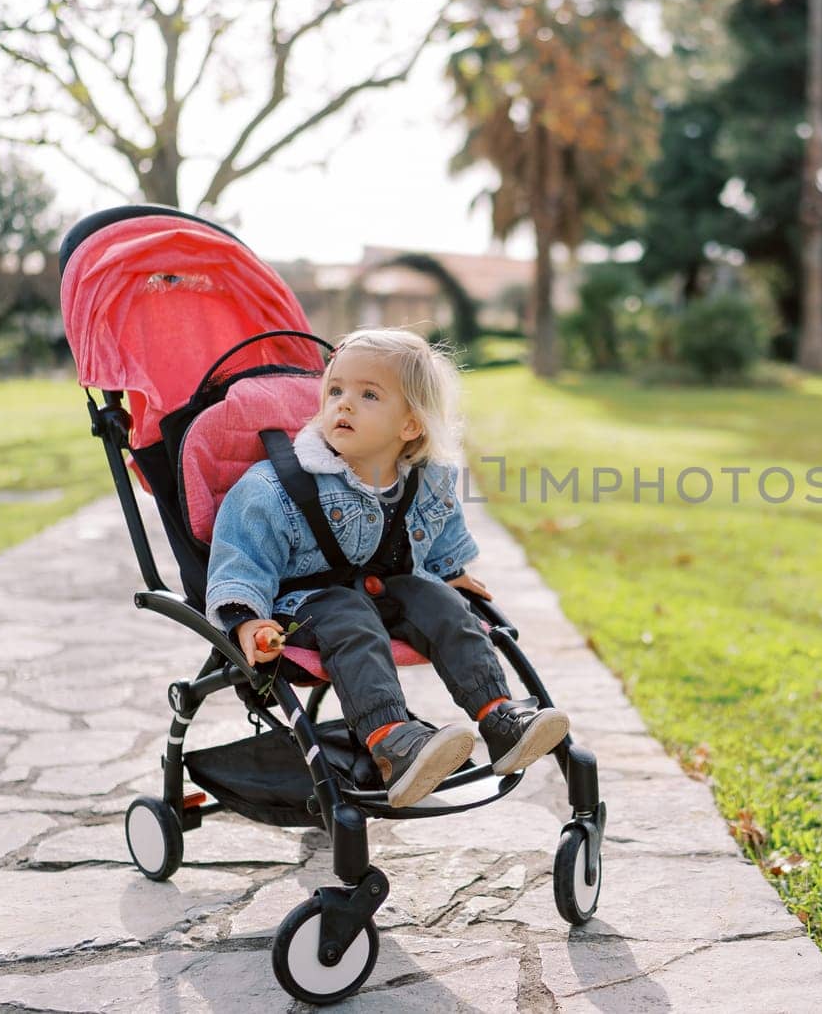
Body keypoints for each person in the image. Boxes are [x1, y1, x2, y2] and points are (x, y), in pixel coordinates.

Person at [206, 328, 569, 808]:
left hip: (382, 590)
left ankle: (499, 716)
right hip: (306, 604)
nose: (344, 405)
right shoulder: (273, 488)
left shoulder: (428, 478)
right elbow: (241, 557)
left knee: (441, 603)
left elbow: (439, 528)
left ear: (410, 427)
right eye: (335, 391)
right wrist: (245, 618)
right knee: (349, 616)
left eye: (368, 394)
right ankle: (393, 742)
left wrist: (450, 571)